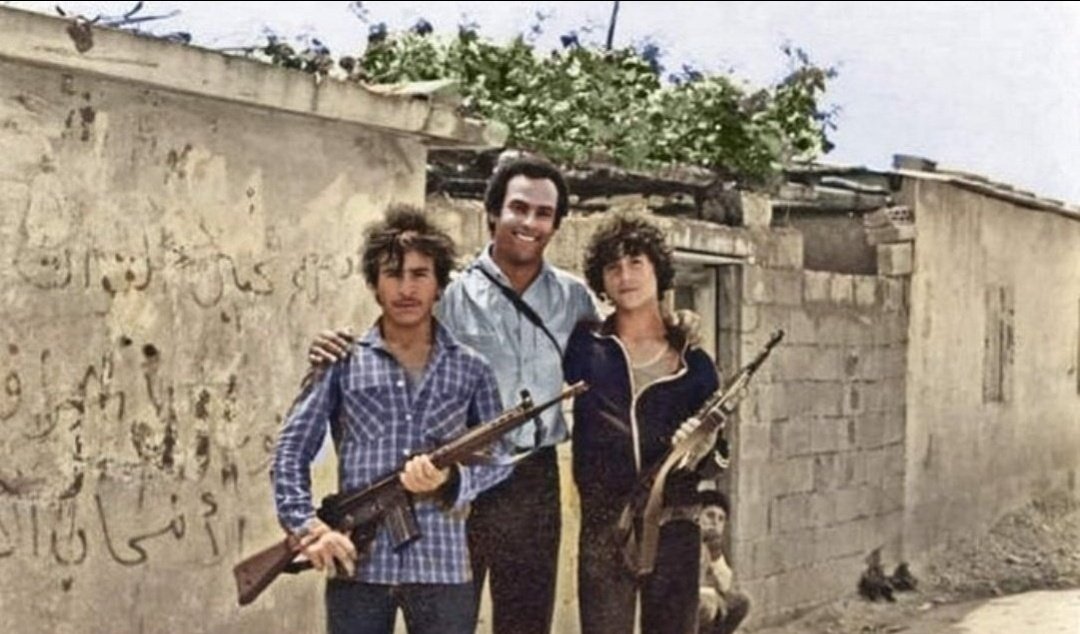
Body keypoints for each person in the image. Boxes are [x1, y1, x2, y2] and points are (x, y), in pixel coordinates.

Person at [307, 154, 599, 634]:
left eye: (543, 214)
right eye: (518, 208)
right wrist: (331, 348)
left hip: (534, 480)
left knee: (527, 622)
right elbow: (388, 346)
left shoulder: (574, 298)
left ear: (556, 225)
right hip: (458, 477)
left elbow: (624, 345)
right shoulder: (451, 294)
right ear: (492, 214)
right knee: (449, 620)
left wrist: (679, 328)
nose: (529, 223)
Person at [272, 206, 511, 634]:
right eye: (393, 274)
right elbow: (290, 451)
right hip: (359, 569)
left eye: (420, 274)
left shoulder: (472, 369)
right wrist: (310, 531)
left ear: (439, 284)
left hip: (444, 567)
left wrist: (452, 481)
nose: (406, 288)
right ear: (374, 285)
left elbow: (500, 454)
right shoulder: (342, 362)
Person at [565, 214, 721, 634]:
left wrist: (703, 446)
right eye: (613, 267)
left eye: (636, 263)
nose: (625, 276)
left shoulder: (696, 363)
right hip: (606, 525)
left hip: (676, 524)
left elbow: (720, 450)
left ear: (658, 271)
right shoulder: (585, 347)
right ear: (602, 279)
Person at [696, 487, 750, 634]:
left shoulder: (713, 545)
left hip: (705, 600)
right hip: (681, 602)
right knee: (709, 606)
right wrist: (711, 596)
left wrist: (716, 554)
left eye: (721, 519)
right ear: (697, 515)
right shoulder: (687, 540)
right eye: (710, 515)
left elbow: (725, 585)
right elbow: (685, 586)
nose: (715, 523)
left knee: (741, 601)